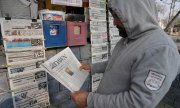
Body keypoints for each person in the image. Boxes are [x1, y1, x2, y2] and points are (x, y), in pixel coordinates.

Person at [71, 0, 180, 108]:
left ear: (135, 13)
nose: (114, 22)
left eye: (117, 16)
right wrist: (92, 67)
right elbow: (117, 63)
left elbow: (138, 103)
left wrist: (89, 100)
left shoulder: (161, 49)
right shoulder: (129, 38)